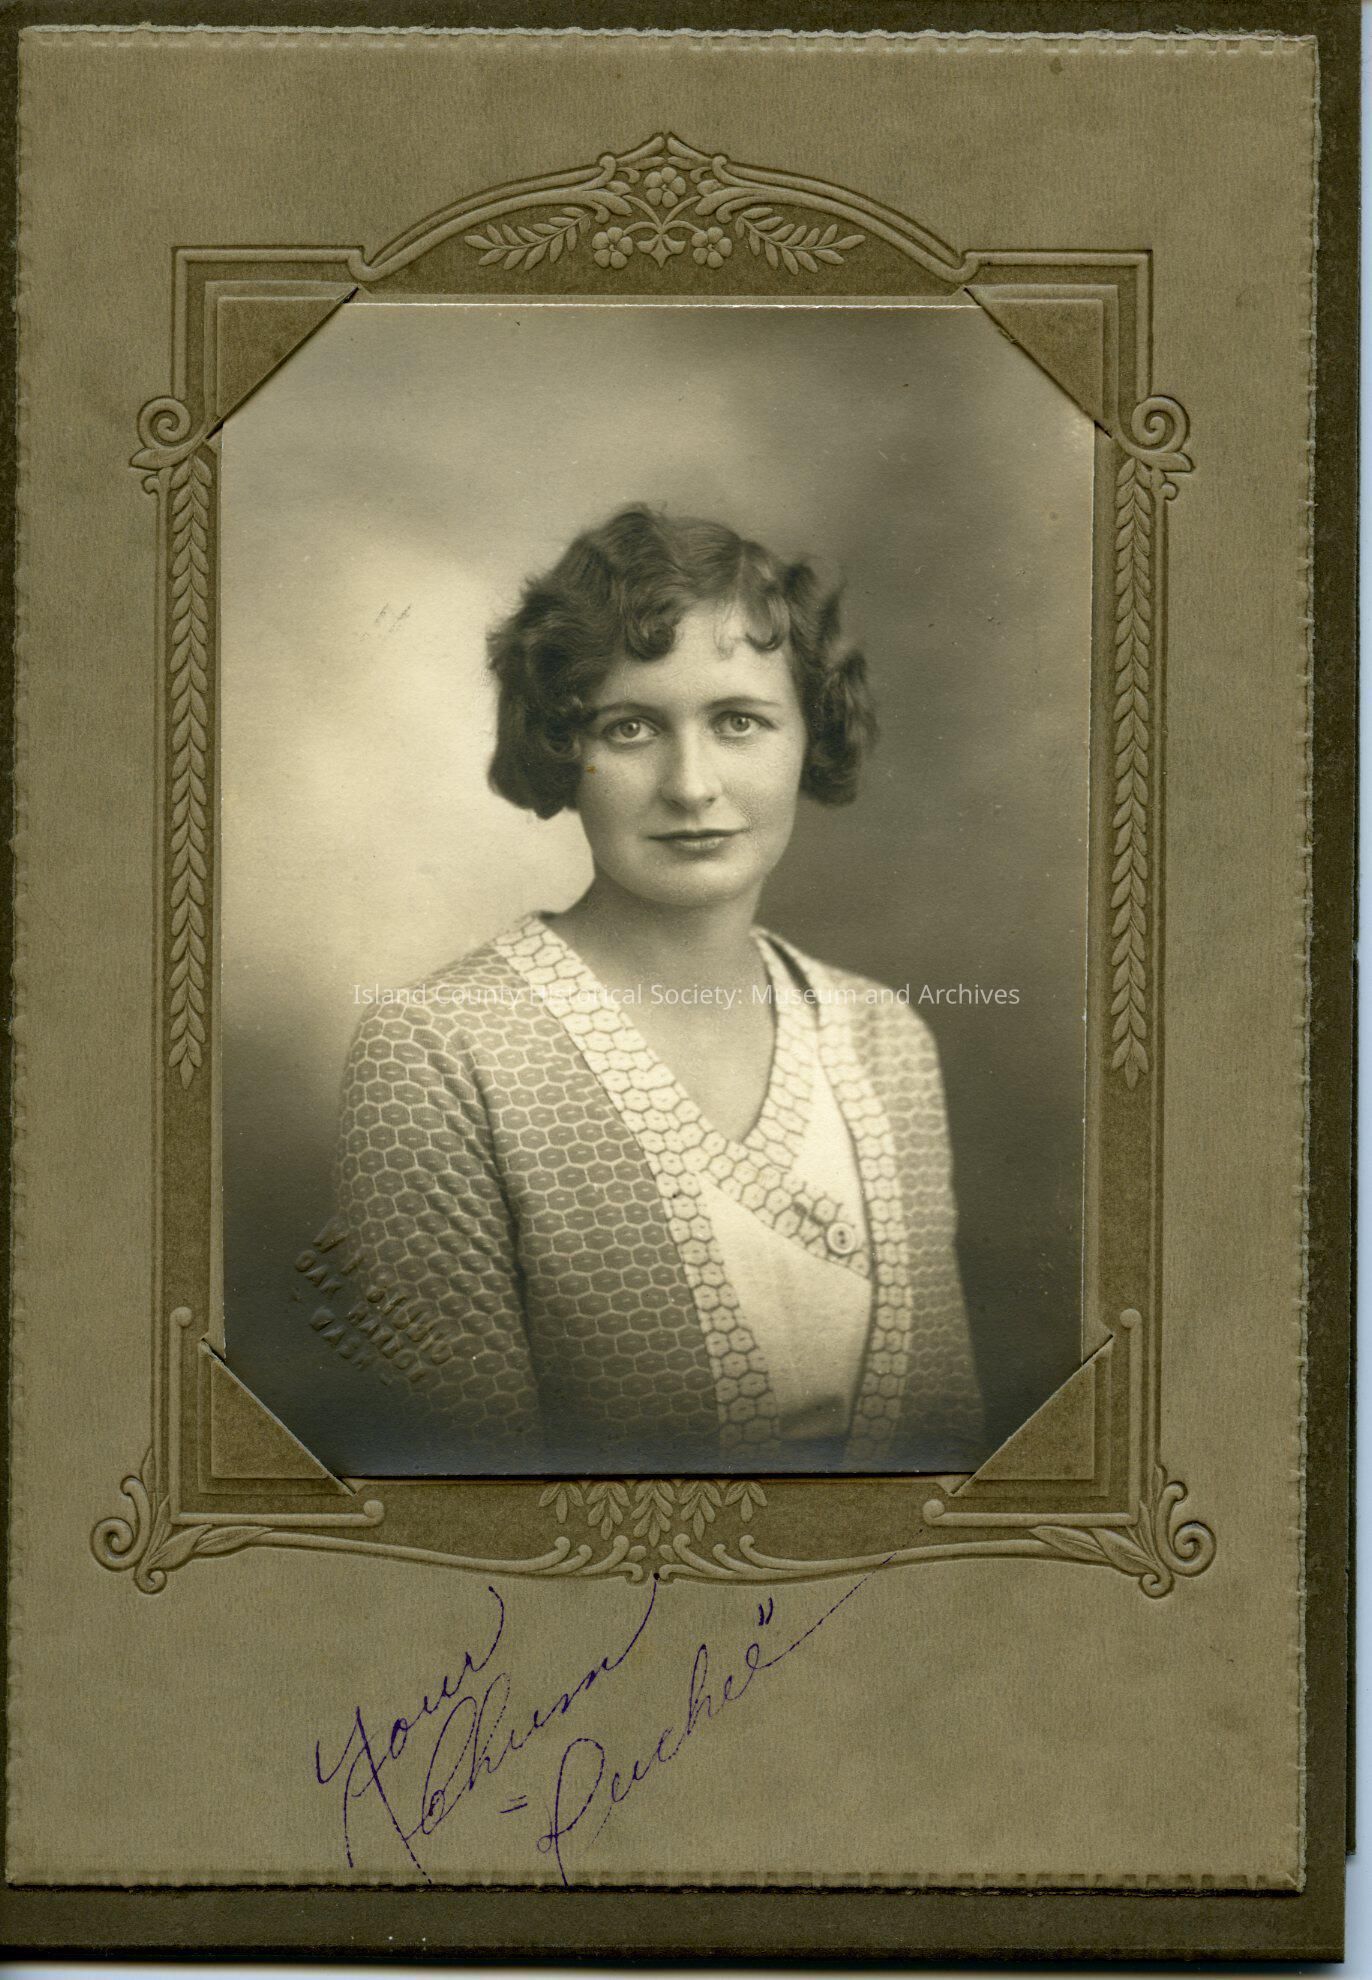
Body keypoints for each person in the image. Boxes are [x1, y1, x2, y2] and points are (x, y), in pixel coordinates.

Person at [321, 506, 984, 1474]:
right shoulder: (439, 1054)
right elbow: (463, 1490)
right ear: (563, 748)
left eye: (739, 721)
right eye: (629, 728)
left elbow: (946, 1446)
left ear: (808, 737)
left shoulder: (884, 1039)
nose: (691, 785)